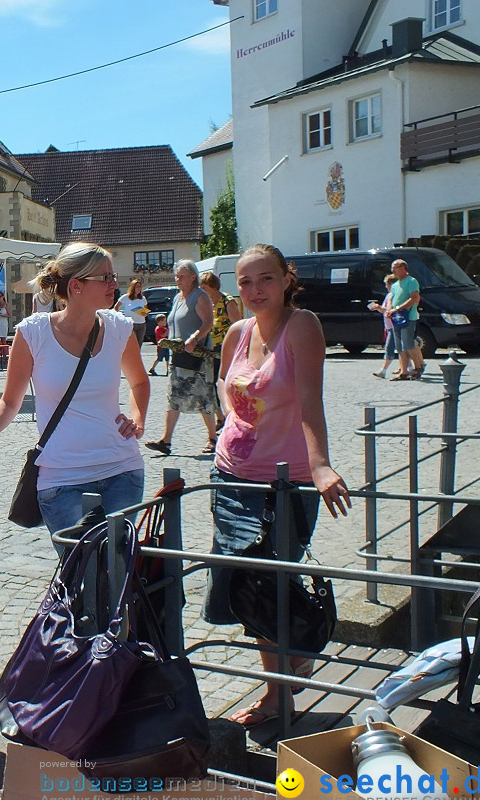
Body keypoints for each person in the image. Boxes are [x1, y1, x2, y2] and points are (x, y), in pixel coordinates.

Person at [206, 243, 350, 729]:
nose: (254, 291)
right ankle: (278, 694)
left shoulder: (301, 326)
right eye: (245, 282)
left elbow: (311, 400)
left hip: (284, 485)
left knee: (274, 586)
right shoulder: (238, 333)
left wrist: (323, 465)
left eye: (265, 279)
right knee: (249, 591)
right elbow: (229, 394)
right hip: (230, 477)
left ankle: (289, 673)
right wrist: (232, 435)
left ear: (287, 278)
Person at [0, 242, 149, 536]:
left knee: (118, 571)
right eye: (106, 277)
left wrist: (138, 418)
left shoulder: (119, 329)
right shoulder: (33, 333)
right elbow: (10, 402)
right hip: (62, 478)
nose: (115, 283)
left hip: (122, 470)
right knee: (78, 570)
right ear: (76, 286)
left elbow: (140, 381)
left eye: (113, 276)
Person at [144, 259, 217, 456]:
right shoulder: (178, 298)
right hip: (179, 355)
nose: (177, 279)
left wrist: (193, 338)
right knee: (174, 397)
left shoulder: (199, 296)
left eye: (181, 276)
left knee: (203, 397)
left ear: (193, 276)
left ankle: (213, 438)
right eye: (176, 276)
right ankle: (166, 441)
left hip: (197, 356)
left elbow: (208, 322)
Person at [201, 271, 242, 431]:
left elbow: (237, 325)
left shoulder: (227, 301)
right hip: (210, 349)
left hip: (226, 349)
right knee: (210, 384)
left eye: (204, 287)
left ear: (213, 286)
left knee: (224, 382)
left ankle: (230, 415)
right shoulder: (207, 303)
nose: (203, 291)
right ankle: (221, 416)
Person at [386, 259, 424, 380]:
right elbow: (391, 298)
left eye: (395, 267)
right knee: (399, 346)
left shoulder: (412, 281)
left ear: (403, 268)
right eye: (392, 268)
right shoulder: (396, 284)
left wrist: (397, 309)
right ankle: (404, 372)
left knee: (408, 343)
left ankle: (418, 367)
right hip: (396, 318)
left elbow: (414, 298)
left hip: (408, 317)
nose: (393, 270)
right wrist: (389, 308)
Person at [369, 274, 396, 379]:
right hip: (390, 326)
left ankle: (383, 370)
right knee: (401, 348)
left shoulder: (393, 295)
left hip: (393, 325)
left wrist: (381, 308)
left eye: (387, 284)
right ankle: (411, 367)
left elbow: (391, 310)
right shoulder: (389, 295)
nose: (386, 286)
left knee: (390, 348)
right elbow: (384, 310)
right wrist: (378, 308)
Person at [113, 278, 149, 345]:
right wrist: (120, 316)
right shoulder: (125, 297)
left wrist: (144, 313)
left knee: (139, 344)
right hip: (130, 324)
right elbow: (116, 307)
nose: (139, 288)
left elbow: (146, 311)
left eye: (140, 287)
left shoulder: (143, 298)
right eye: (137, 287)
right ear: (133, 287)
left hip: (141, 324)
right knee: (131, 344)